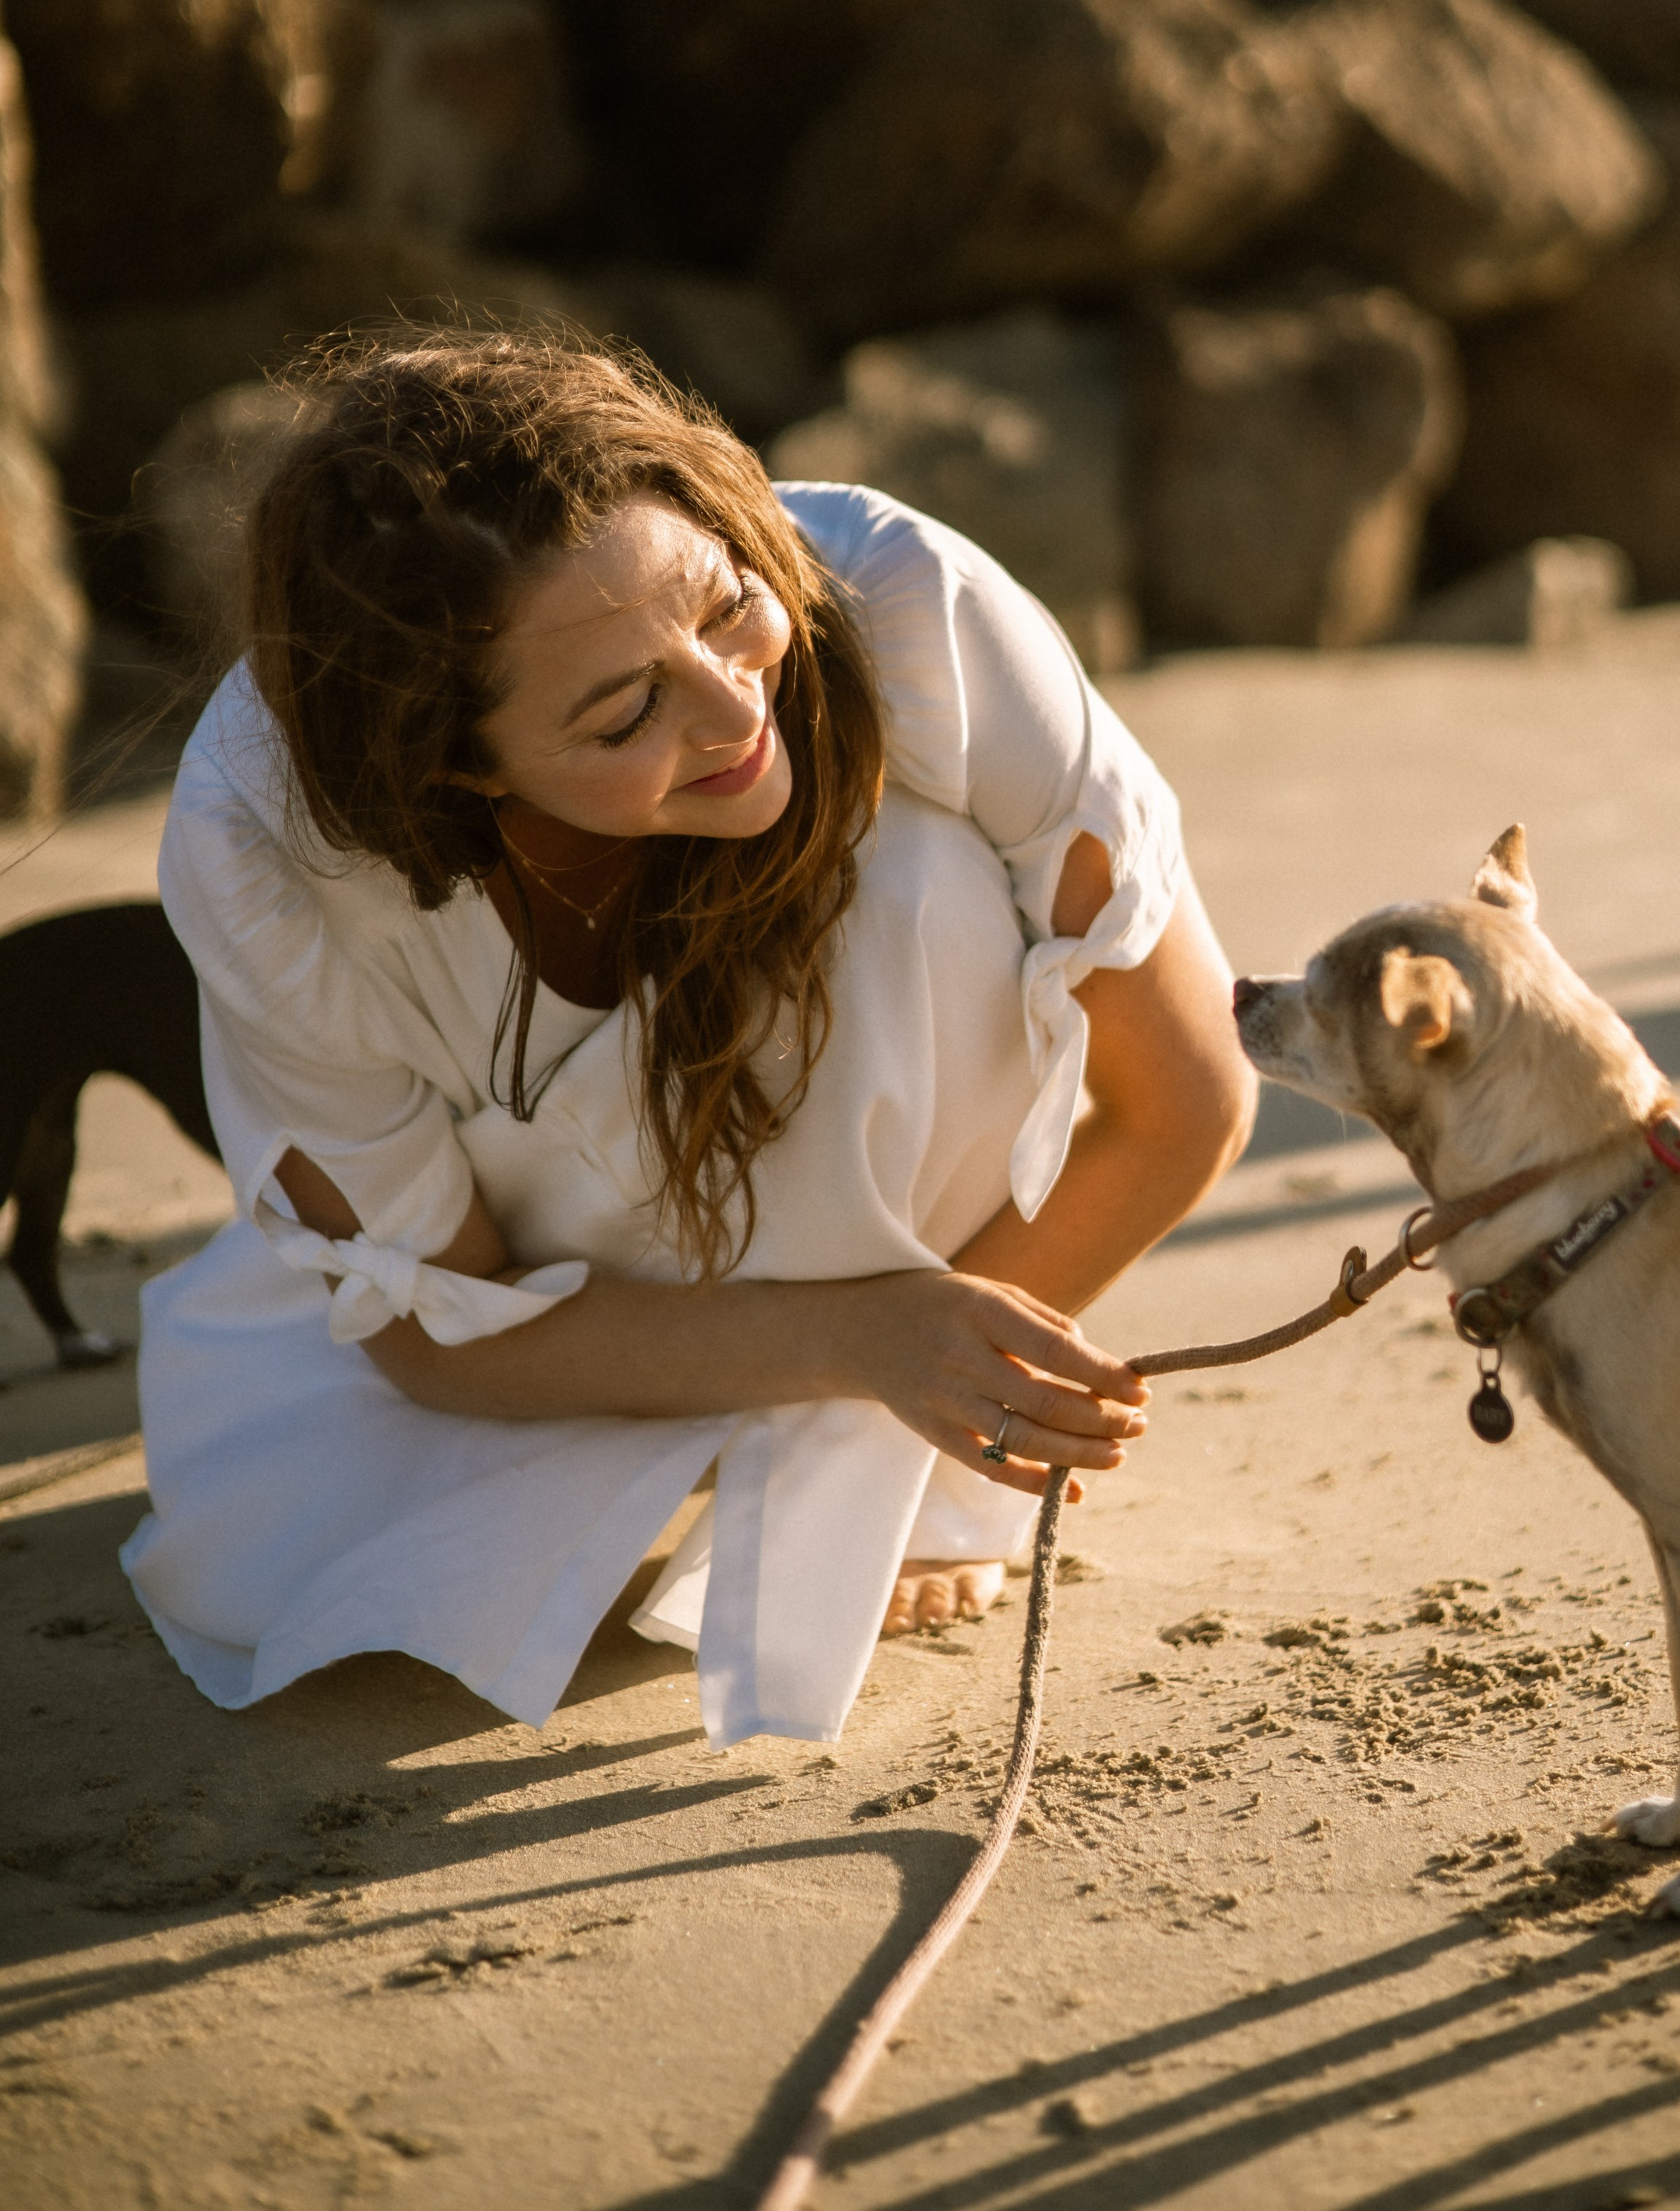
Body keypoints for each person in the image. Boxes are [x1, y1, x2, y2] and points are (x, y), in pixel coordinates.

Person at [122, 329, 1254, 1748]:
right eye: (624, 711)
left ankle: (863, 1431)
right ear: (458, 766)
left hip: (892, 1199)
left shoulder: (903, 601)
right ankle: (751, 1400)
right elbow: (439, 1333)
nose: (736, 707)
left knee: (914, 887)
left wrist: (917, 1402)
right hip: (557, 1278)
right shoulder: (265, 849)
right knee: (312, 1550)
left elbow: (1189, 1095)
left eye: (723, 607)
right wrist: (863, 1337)